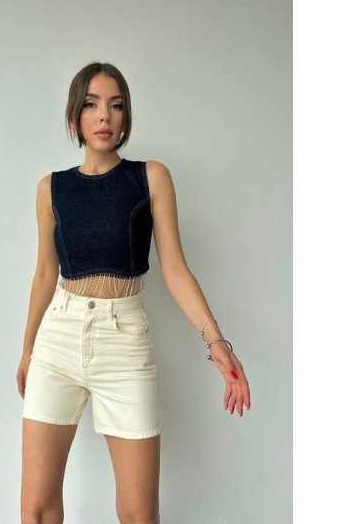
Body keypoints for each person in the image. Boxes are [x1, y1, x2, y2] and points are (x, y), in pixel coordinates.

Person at [16, 61, 251, 524]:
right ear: (74, 117)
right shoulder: (51, 189)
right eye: (91, 105)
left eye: (116, 105)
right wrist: (28, 350)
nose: (104, 115)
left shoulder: (150, 177)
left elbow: (175, 269)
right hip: (57, 341)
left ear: (126, 117)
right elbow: (45, 273)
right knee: (37, 510)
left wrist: (216, 340)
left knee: (139, 514)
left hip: (123, 342)